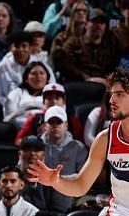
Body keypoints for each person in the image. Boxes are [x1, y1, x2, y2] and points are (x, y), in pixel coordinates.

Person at [28, 68, 129, 215]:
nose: (111, 100)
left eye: (119, 94)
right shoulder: (105, 139)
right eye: (112, 94)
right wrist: (55, 181)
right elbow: (80, 186)